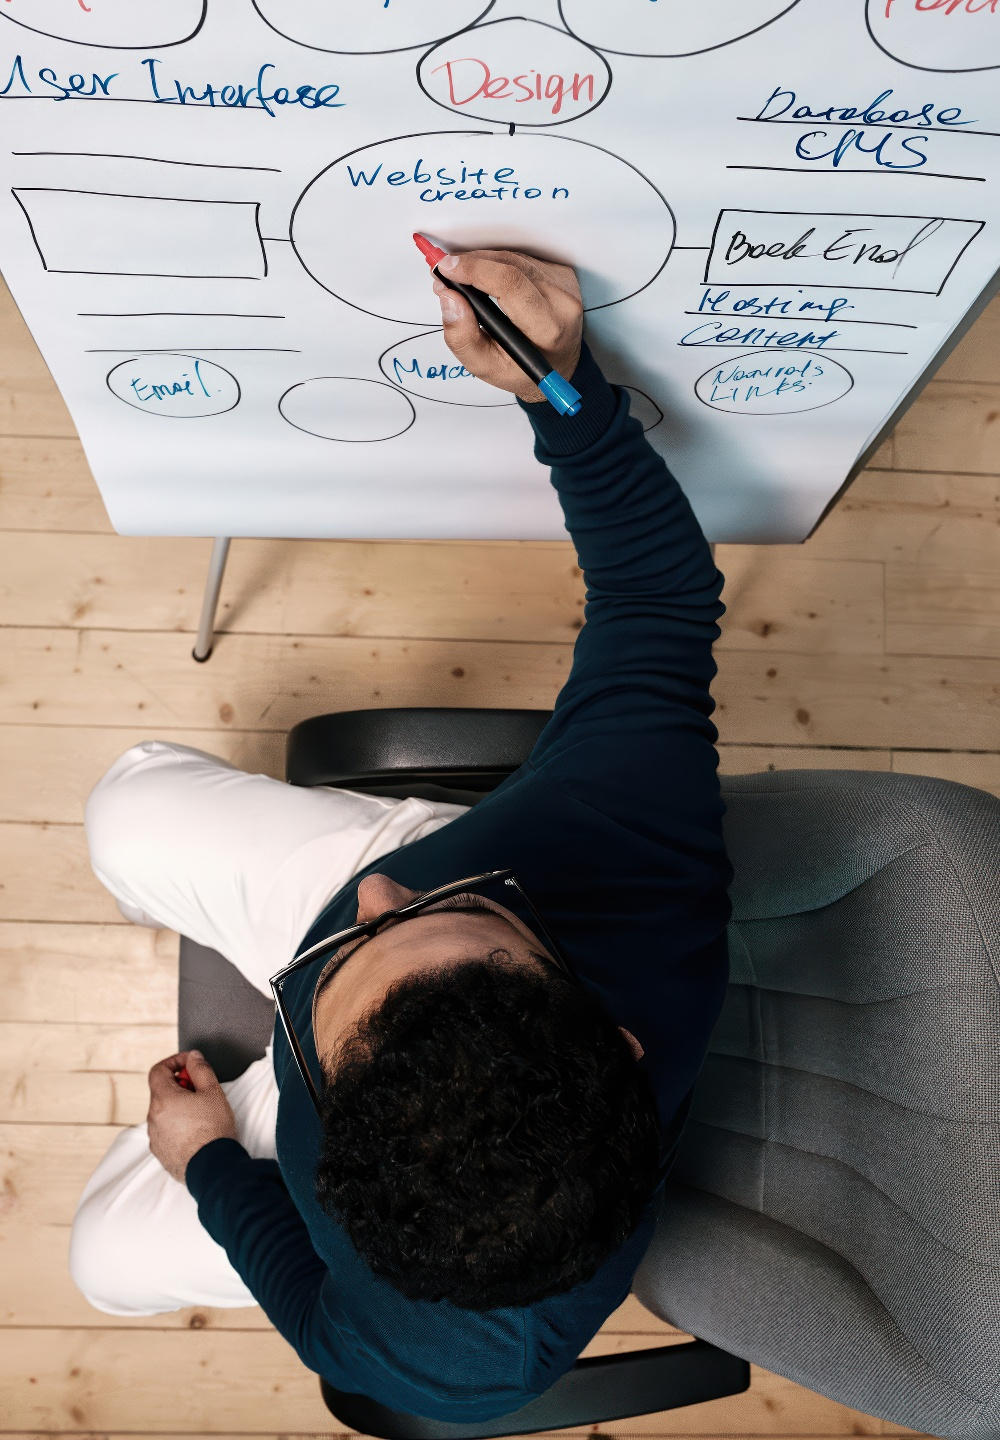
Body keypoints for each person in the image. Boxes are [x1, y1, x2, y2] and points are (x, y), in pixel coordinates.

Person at [70, 248, 733, 1423]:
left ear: (332, 1175)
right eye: (444, 921)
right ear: (614, 1037)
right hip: (509, 889)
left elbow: (309, 1304)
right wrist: (558, 385)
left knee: (99, 1266)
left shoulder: (448, 1357)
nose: (377, 898)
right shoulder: (634, 855)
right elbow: (659, 598)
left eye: (360, 954)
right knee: (122, 811)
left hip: (303, 1105)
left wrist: (212, 1161)